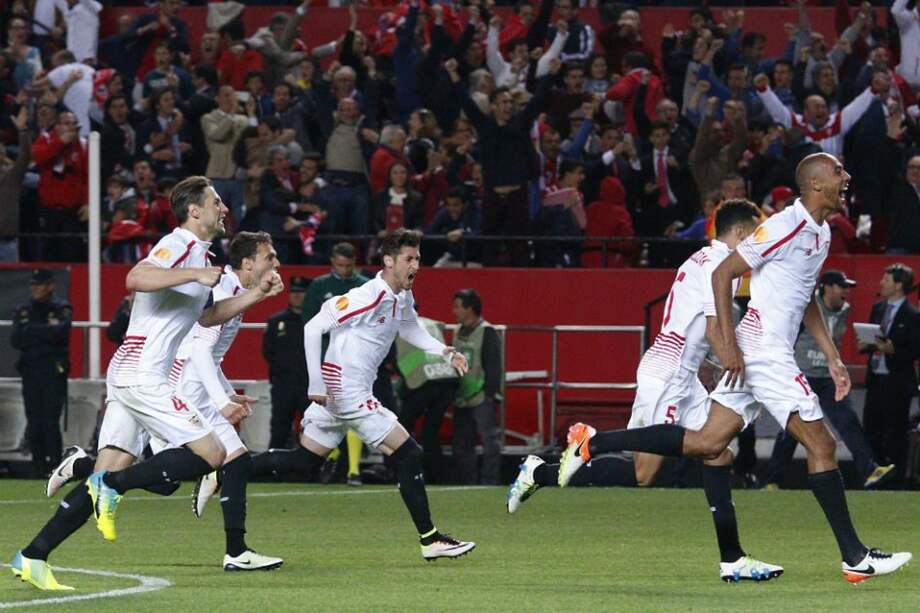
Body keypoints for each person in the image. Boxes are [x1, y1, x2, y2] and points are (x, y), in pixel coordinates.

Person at [556, 153, 912, 583]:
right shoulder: (784, 226)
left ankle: (593, 442)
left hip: (763, 349)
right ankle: (855, 558)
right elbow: (723, 273)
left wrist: (832, 356)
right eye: (839, 171)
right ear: (817, 184)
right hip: (764, 351)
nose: (847, 176)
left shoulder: (819, 232)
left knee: (708, 443)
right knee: (821, 444)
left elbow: (806, 298)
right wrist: (728, 347)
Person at [10, 176, 283, 591]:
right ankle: (110, 486)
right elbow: (136, 277)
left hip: (132, 373)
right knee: (213, 454)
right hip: (145, 374)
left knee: (106, 470)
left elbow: (206, 318)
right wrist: (195, 272)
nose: (224, 208)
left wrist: (257, 295)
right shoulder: (180, 244)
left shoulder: (200, 254)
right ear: (194, 210)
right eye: (216, 202)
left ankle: (33, 555)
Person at [508, 200, 783, 581]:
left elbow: (692, 330)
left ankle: (733, 559)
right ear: (738, 233)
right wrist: (742, 370)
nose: (758, 243)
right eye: (755, 234)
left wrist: (717, 367)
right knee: (643, 474)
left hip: (682, 371)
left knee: (718, 452)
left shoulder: (705, 260)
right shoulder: (721, 266)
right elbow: (712, 329)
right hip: (669, 373)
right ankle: (557, 462)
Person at [250, 229, 475, 560]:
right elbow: (313, 327)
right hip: (345, 389)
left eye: (418, 258)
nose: (416, 265)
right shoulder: (368, 295)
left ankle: (228, 468)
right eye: (409, 259)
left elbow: (409, 327)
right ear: (388, 261)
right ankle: (430, 539)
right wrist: (316, 383)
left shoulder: (401, 296)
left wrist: (445, 350)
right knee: (409, 453)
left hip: (347, 388)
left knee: (305, 459)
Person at [765, 271, 896, 490]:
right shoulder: (806, 306)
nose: (846, 291)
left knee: (848, 422)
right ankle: (772, 481)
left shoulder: (844, 310)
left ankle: (870, 471)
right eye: (841, 287)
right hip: (803, 376)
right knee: (791, 431)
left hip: (828, 378)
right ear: (826, 287)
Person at [300, 242, 369, 485]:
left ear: (354, 263)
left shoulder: (365, 285)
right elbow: (309, 322)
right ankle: (334, 456)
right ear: (332, 262)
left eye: (348, 266)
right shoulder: (320, 286)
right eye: (340, 265)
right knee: (337, 410)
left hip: (357, 361)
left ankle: (351, 469)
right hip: (327, 362)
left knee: (353, 410)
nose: (344, 270)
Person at [859, 264, 920, 488]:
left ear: (899, 285)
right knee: (871, 430)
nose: (881, 283)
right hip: (876, 380)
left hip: (898, 384)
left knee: (896, 434)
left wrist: (893, 350)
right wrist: (865, 345)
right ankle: (874, 478)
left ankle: (896, 484)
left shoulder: (913, 316)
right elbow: (872, 339)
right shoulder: (878, 308)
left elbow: (916, 350)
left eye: (886, 280)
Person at [10, 269, 72, 478]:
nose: (35, 288)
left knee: (50, 420)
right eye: (33, 284)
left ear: (50, 286)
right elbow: (16, 339)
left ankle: (54, 465)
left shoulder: (61, 307)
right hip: (30, 371)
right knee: (33, 418)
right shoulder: (24, 308)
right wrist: (46, 330)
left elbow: (61, 334)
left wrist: (31, 330)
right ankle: (37, 465)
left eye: (39, 285)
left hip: (53, 371)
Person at [395, 308, 459, 483]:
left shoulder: (397, 324)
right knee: (430, 432)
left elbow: (395, 359)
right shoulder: (431, 322)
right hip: (448, 378)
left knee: (401, 428)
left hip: (424, 380)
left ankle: (405, 472)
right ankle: (437, 477)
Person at [451, 289, 503, 485]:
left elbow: (494, 366)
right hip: (461, 397)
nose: (454, 311)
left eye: (458, 307)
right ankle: (469, 483)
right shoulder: (457, 331)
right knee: (462, 444)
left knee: (490, 443)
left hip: (481, 397)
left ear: (470, 309)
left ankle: (489, 482)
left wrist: (489, 394)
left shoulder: (487, 331)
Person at [263, 275, 310, 449]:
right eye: (294, 291)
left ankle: (311, 465)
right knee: (279, 428)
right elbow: (268, 351)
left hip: (310, 385)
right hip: (283, 384)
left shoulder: (316, 320)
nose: (297, 295)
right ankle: (273, 464)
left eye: (301, 292)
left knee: (313, 429)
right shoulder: (276, 321)